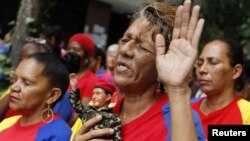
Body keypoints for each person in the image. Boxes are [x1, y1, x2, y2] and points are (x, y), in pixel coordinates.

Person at [72, 0, 205, 141]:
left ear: (162, 64)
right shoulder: (103, 111)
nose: (125, 50)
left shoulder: (177, 119)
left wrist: (178, 89)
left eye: (142, 47)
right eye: (124, 40)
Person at [0, 53, 71, 140]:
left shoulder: (58, 133)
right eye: (15, 79)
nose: (14, 87)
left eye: (26, 83)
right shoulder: (7, 123)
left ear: (52, 95)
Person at [2, 37, 74, 123]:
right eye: (22, 59)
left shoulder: (55, 131)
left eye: (26, 83)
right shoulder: (8, 123)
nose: (25, 65)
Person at [191, 38, 250, 139]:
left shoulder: (247, 113)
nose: (202, 70)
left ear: (236, 71)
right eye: (200, 63)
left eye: (213, 62)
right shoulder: (185, 108)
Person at [69, 74, 121, 141]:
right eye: (93, 93)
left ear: (108, 97)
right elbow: (75, 103)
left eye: (98, 93)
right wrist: (74, 88)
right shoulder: (87, 112)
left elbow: (118, 138)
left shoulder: (114, 118)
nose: (94, 97)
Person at [67, 33, 97, 106]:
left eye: (76, 49)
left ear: (87, 55)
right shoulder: (63, 72)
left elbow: (81, 111)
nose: (71, 52)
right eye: (69, 48)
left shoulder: (91, 80)